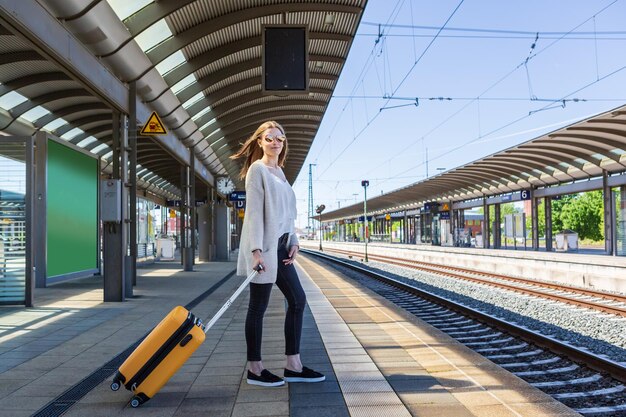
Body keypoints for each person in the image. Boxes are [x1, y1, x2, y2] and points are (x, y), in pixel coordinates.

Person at [231, 121, 325, 387]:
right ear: (260, 142)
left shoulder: (280, 172)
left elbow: (288, 212)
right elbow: (254, 215)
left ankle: (293, 365)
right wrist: (256, 251)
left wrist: (294, 238)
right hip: (265, 248)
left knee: (297, 300)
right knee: (258, 307)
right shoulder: (257, 171)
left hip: (283, 247)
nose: (275, 143)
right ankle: (255, 368)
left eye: (280, 139)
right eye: (270, 138)